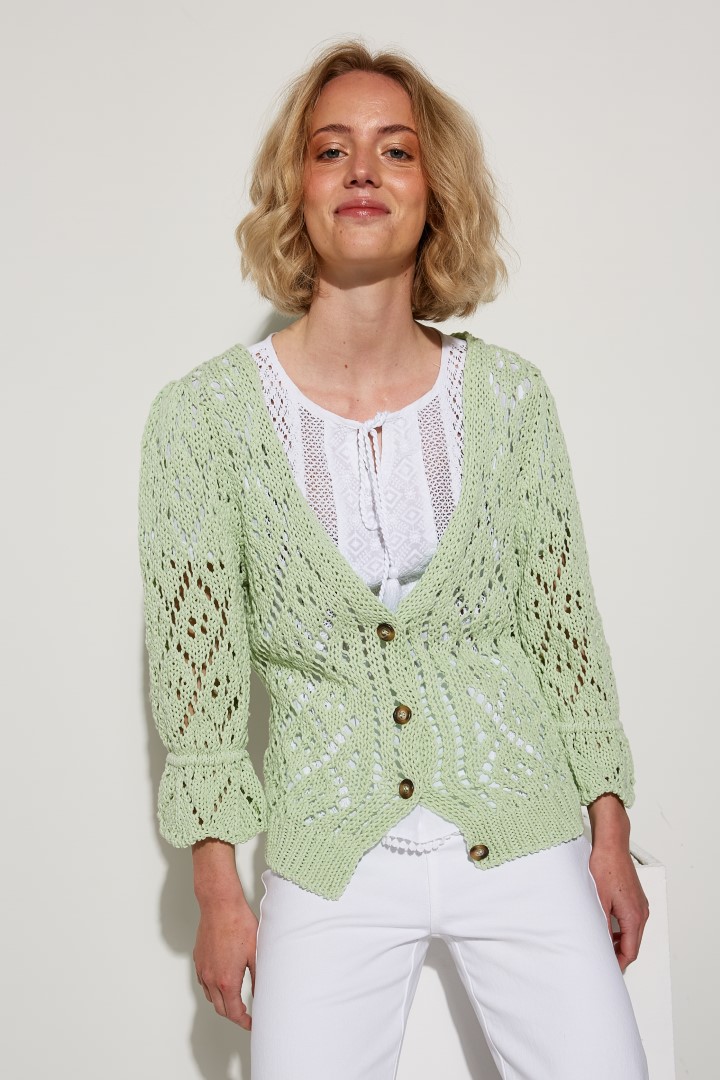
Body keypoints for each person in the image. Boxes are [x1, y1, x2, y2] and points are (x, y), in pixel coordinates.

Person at [137, 39, 650, 1080]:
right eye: (331, 150)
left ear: (434, 191)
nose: (362, 171)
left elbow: (565, 631)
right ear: (298, 191)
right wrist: (218, 890)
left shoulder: (509, 398)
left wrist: (608, 833)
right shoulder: (203, 421)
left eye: (396, 150)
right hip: (331, 852)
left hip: (523, 827)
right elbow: (201, 686)